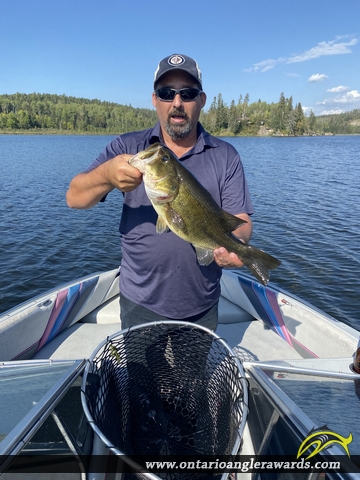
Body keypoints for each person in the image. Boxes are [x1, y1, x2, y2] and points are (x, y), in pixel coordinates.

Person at [66, 53, 254, 332]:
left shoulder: (225, 155)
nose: (177, 103)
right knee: (140, 377)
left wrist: (236, 245)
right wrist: (106, 175)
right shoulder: (129, 147)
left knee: (192, 378)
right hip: (140, 301)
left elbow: (241, 220)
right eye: (167, 93)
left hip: (201, 303)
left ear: (201, 100)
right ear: (155, 99)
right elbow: (74, 198)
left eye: (187, 94)